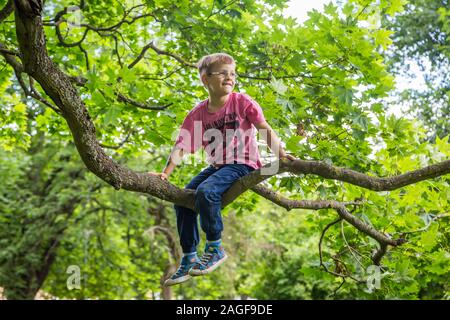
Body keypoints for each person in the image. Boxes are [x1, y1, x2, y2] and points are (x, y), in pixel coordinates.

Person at [150, 53, 295, 286]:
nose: (230, 77)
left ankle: (215, 247)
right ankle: (189, 257)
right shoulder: (197, 114)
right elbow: (182, 146)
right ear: (205, 79)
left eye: (233, 73)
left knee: (207, 191)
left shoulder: (242, 102)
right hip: (217, 166)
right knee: (182, 200)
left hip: (242, 163)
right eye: (223, 73)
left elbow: (264, 128)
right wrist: (166, 173)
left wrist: (281, 155)